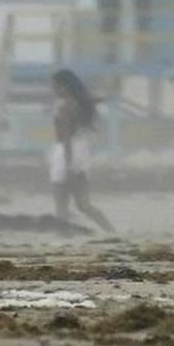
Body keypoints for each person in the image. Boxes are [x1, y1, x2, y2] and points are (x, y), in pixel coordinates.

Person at [48, 69, 115, 232]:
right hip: (82, 151)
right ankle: (111, 230)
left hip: (66, 153)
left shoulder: (64, 106)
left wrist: (68, 164)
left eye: (55, 86)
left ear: (64, 86)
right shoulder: (79, 103)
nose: (53, 90)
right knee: (83, 204)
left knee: (61, 202)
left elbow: (65, 137)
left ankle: (64, 235)